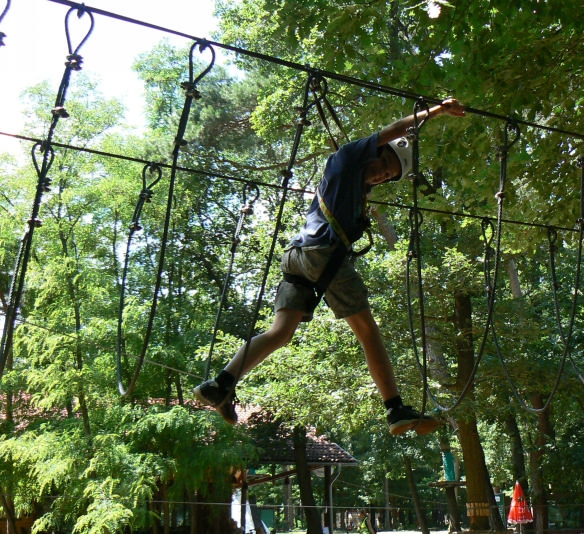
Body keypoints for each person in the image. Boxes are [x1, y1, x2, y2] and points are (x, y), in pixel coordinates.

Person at [194, 98, 466, 435]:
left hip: (298, 257)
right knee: (367, 331)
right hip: (322, 254)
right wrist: (437, 111)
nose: (383, 174)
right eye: (385, 164)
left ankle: (221, 383)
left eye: (389, 176)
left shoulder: (351, 189)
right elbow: (396, 129)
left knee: (281, 333)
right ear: (377, 150)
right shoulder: (348, 158)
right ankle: (395, 409)